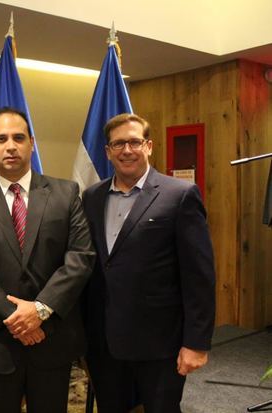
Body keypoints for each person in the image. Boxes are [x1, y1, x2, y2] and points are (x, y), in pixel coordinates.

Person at [0, 107, 95, 413]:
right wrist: (20, 319)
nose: (11, 145)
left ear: (32, 142)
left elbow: (80, 258)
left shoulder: (65, 193)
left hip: (53, 340)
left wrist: (41, 311)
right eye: (1, 139)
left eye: (19, 137)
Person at [82, 113, 216, 412]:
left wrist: (196, 342)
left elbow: (199, 275)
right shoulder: (92, 197)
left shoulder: (179, 196)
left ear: (149, 146)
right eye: (118, 144)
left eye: (134, 142)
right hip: (105, 342)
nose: (126, 150)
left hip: (160, 344)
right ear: (107, 151)